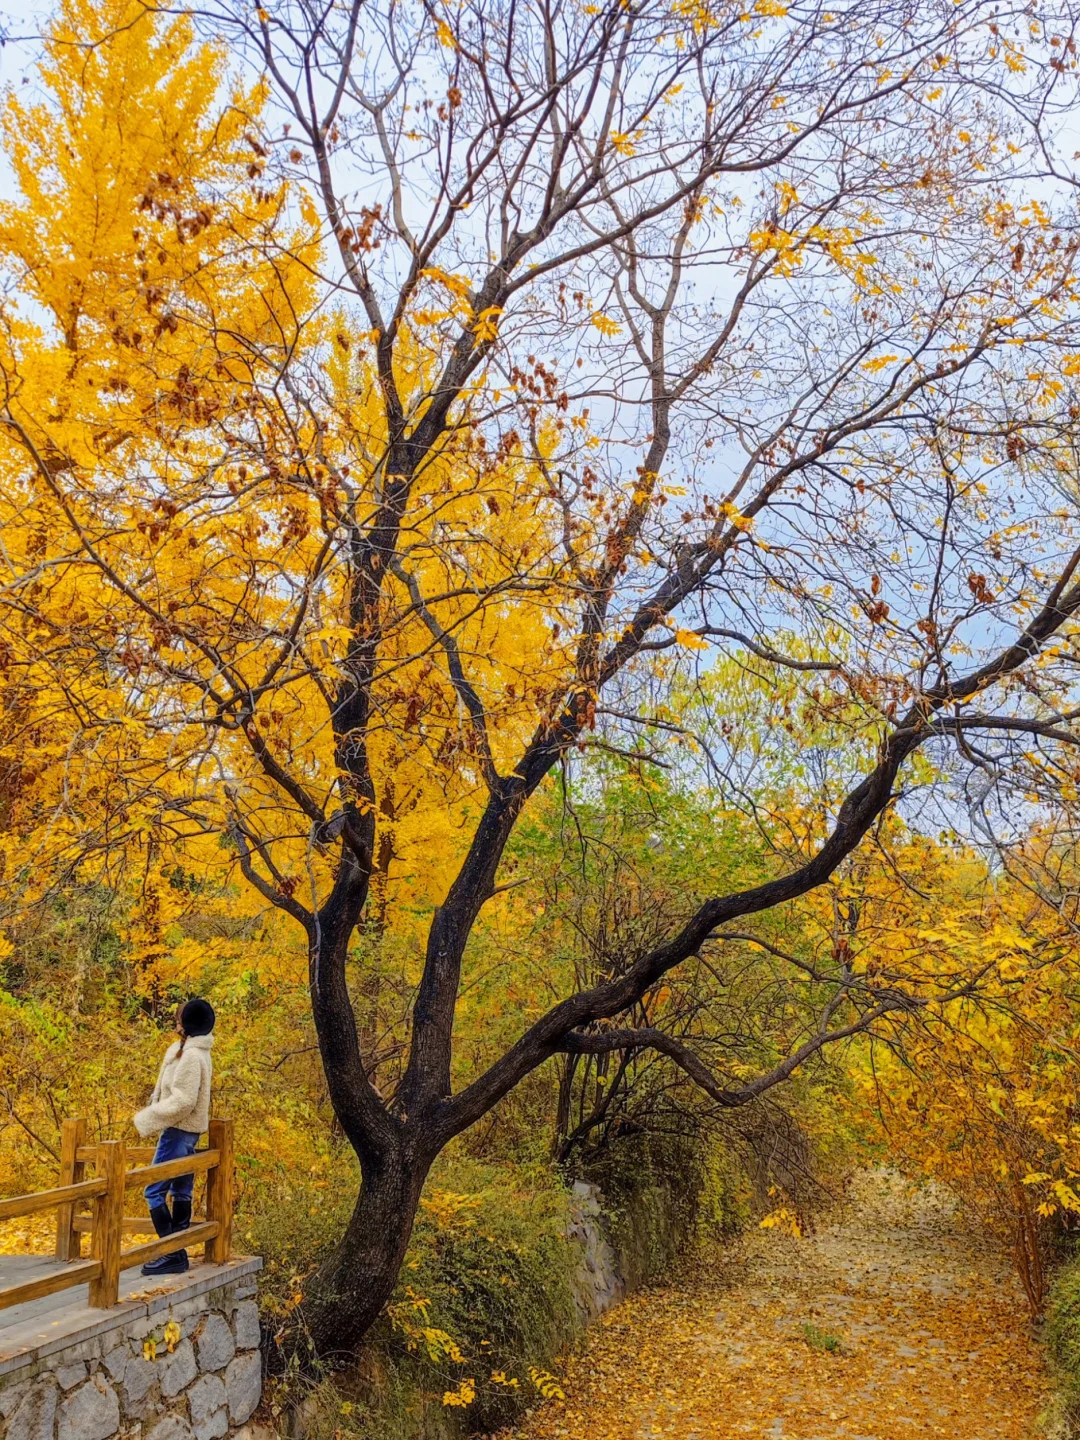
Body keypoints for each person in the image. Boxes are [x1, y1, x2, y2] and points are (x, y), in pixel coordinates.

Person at [133, 998, 215, 1276]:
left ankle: (172, 1252)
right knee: (181, 1190)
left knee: (153, 1190)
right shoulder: (190, 1051)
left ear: (187, 1024)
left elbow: (183, 1100)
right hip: (186, 1131)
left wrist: (149, 1117)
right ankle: (176, 1252)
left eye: (180, 1018)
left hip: (179, 1130)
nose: (176, 1022)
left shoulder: (192, 1055)